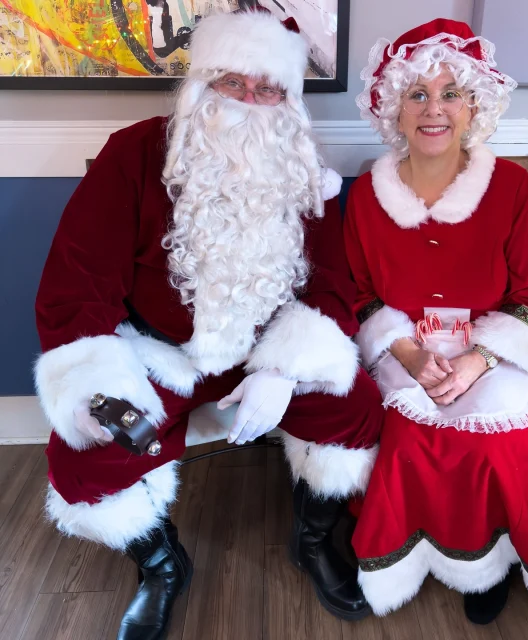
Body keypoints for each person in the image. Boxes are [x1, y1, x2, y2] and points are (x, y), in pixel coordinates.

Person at [34, 9, 382, 639]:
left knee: (355, 410)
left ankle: (312, 541)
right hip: (159, 354)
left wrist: (282, 369)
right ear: (201, 83)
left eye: (269, 88)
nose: (251, 102)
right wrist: (95, 384)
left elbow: (334, 283)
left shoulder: (303, 167)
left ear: (287, 100)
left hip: (264, 360)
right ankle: (163, 565)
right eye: (232, 83)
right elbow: (75, 283)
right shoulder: (135, 153)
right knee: (84, 460)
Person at [344, 18, 528, 625]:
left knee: (499, 447)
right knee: (409, 445)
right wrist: (410, 354)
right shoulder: (365, 197)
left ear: (473, 107)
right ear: (394, 109)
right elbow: (361, 294)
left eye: (450, 94)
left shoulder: (512, 188)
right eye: (417, 95)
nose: (433, 110)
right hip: (407, 349)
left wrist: (477, 359)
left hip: (499, 349)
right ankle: (431, 555)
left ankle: (490, 559)